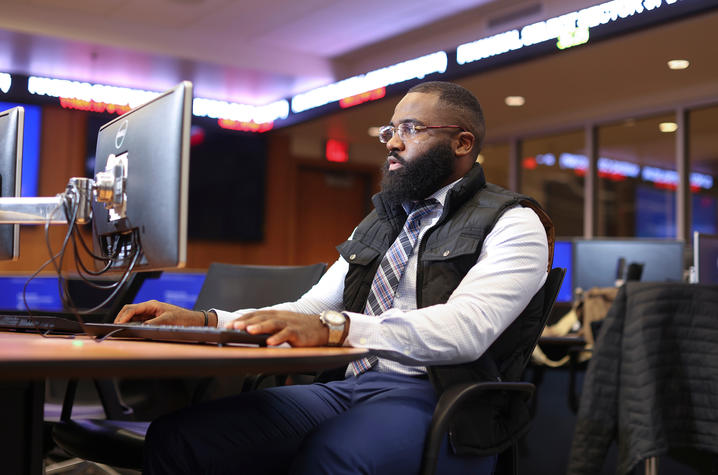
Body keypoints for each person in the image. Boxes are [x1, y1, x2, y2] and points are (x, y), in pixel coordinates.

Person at [116, 81, 553, 474]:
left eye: (411, 129)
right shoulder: (383, 220)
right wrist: (209, 322)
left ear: (462, 142)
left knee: (330, 458)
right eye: (390, 132)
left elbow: (467, 330)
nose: (392, 144)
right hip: (350, 386)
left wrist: (339, 328)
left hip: (441, 397)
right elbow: (312, 309)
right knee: (180, 437)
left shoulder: (513, 221)